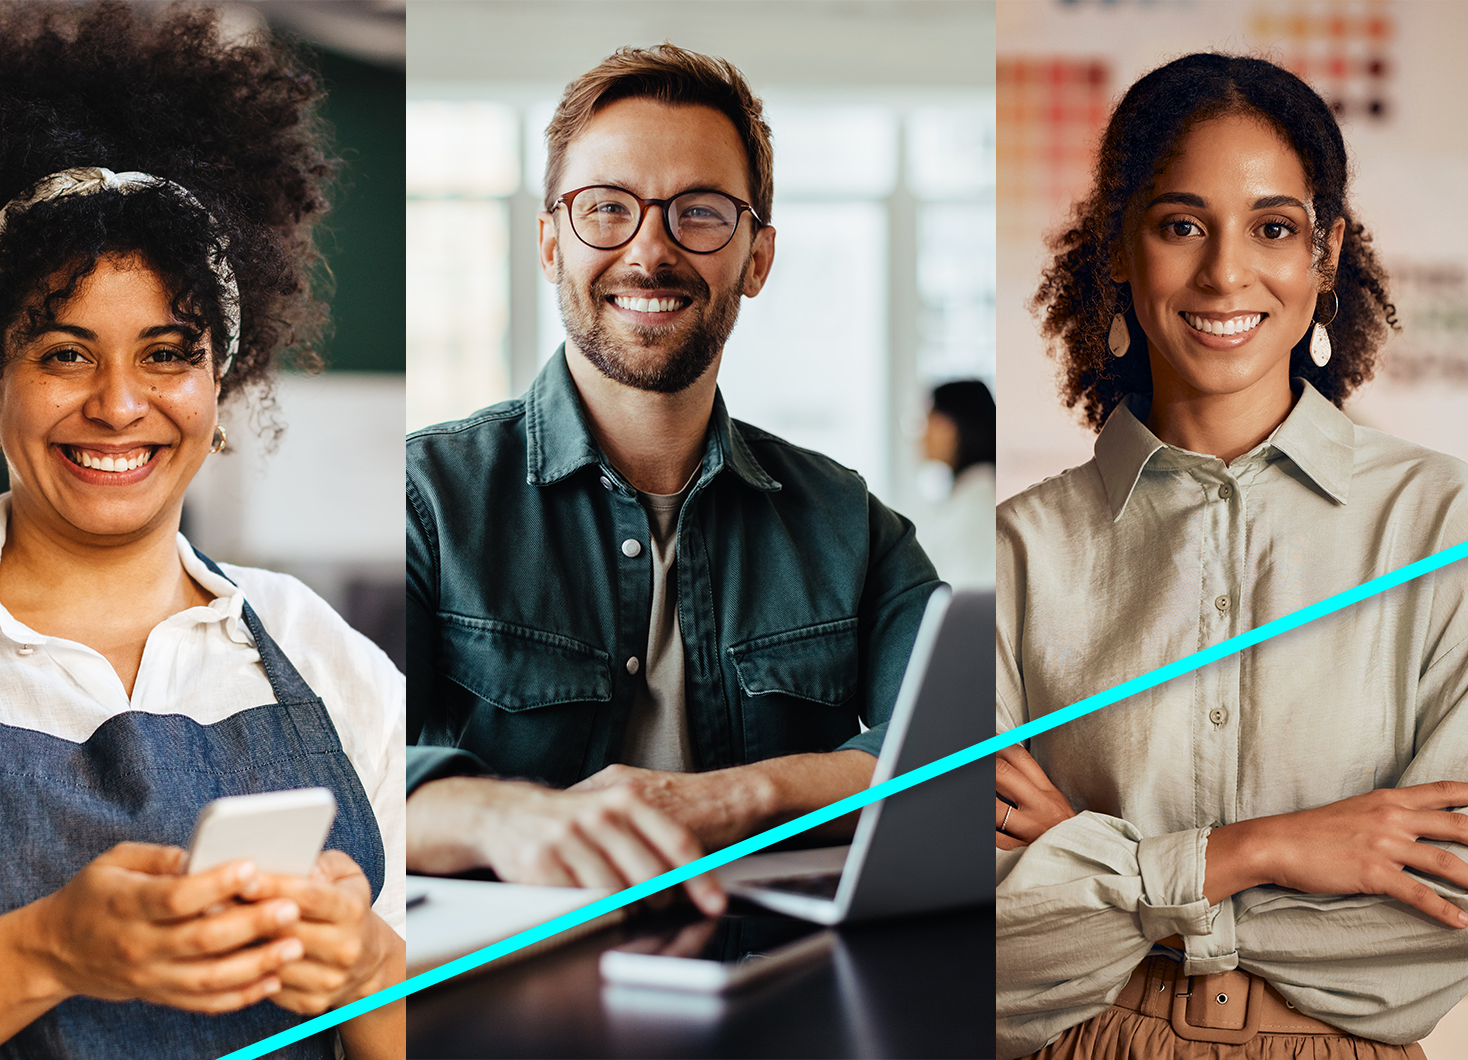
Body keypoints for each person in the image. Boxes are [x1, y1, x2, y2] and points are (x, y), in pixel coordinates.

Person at [0, 5, 404, 1059]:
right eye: (64, 354)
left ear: (220, 384)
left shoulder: (331, 662)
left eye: (168, 352)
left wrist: (368, 971)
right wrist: (52, 949)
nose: (121, 405)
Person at [996, 52, 1468, 1058]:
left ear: (1325, 253)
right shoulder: (1020, 553)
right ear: (1117, 249)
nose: (1223, 273)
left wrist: (1089, 866)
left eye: (1273, 227)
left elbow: (1432, 921)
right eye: (1180, 225)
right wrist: (1274, 850)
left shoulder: (1443, 528)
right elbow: (990, 943)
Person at [405, 44, 941, 912]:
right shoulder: (428, 498)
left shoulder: (849, 521)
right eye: (606, 208)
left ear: (756, 258)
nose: (649, 251)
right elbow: (342, 769)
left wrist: (739, 796)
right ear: (550, 243)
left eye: (698, 213)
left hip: (771, 984)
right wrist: (498, 816)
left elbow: (953, 748)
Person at [907, 379, 995, 589]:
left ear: (954, 426)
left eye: (929, 418)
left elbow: (965, 601)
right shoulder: (966, 496)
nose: (922, 433)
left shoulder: (978, 507)